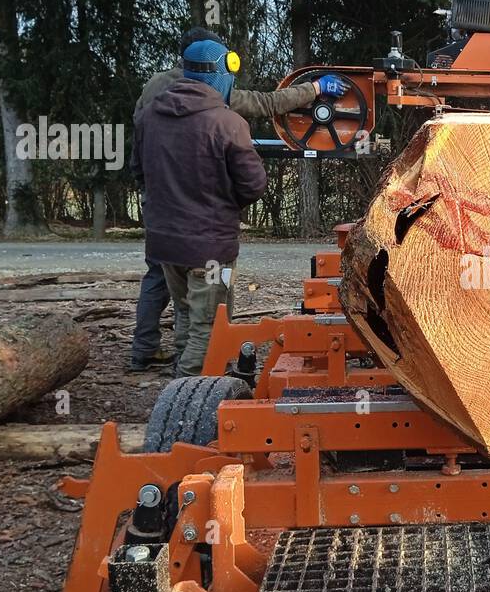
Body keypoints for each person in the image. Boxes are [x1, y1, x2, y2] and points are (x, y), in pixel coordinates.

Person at [128, 27, 346, 370]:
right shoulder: (226, 121)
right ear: (220, 72)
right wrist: (222, 206)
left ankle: (158, 360)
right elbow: (253, 184)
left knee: (184, 311)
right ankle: (190, 393)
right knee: (211, 323)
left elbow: (138, 168)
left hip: (163, 238)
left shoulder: (151, 110)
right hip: (209, 245)